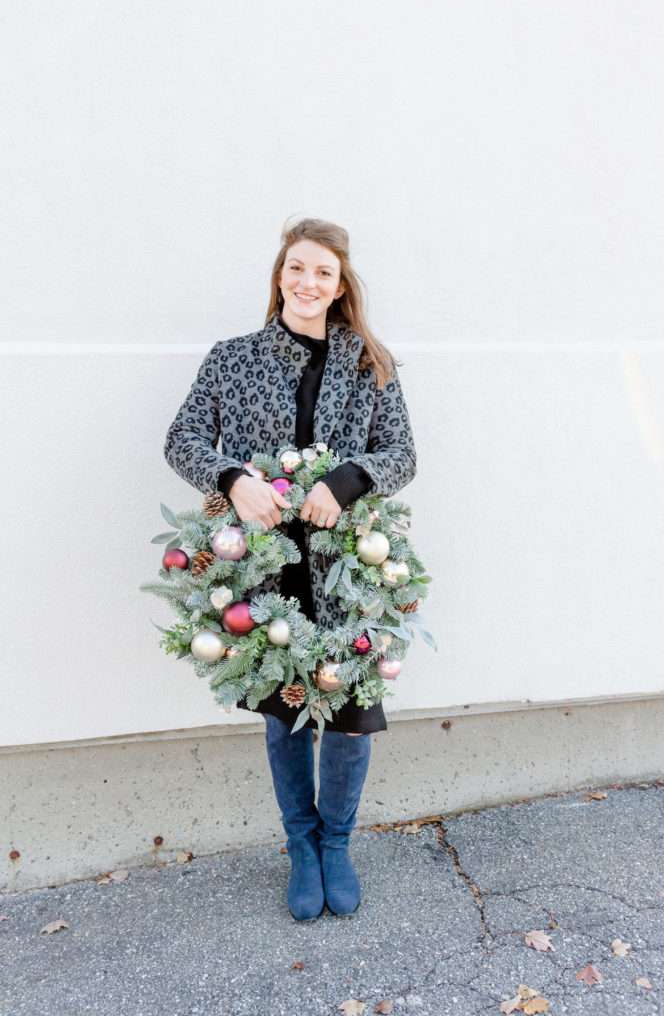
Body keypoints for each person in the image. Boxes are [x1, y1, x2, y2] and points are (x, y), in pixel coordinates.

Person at [163, 217, 417, 921]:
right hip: (263, 572)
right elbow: (182, 437)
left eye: (324, 274)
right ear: (280, 275)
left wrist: (344, 482)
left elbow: (401, 452)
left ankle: (336, 846)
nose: (309, 283)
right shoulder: (232, 357)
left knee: (349, 716)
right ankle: (300, 847)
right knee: (283, 719)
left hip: (349, 568)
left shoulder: (371, 363)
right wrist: (230, 477)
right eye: (297, 269)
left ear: (340, 288)